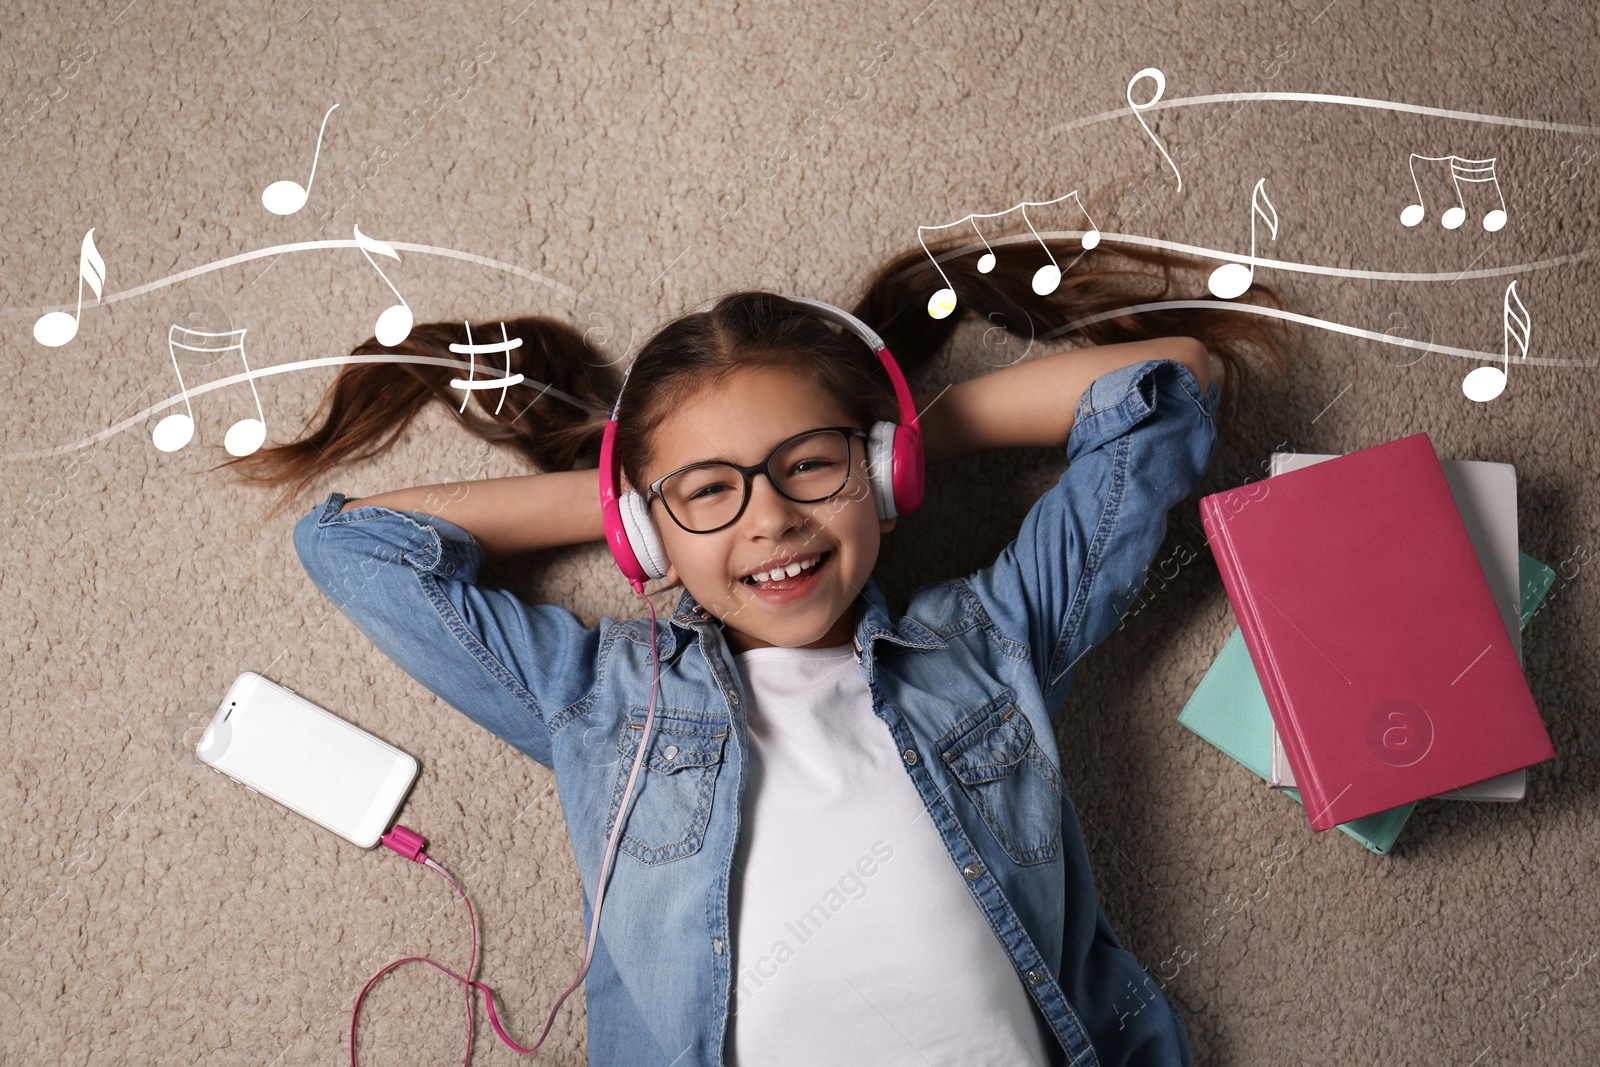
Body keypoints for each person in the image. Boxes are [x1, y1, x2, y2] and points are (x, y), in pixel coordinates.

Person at [225, 233, 1283, 1066]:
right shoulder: (605, 700)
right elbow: (353, 546)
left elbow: (1166, 390)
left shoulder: (991, 639)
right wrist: (618, 506)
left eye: (809, 465)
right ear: (650, 533)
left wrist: (924, 436)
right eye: (709, 489)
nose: (768, 518)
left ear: (878, 470)